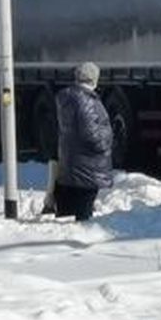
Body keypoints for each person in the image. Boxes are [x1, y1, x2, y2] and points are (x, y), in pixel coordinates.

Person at [52, 62, 114, 221]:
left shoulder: (68, 97)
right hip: (88, 165)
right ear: (93, 79)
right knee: (85, 210)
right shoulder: (86, 100)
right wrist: (105, 142)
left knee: (78, 205)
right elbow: (90, 133)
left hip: (74, 162)